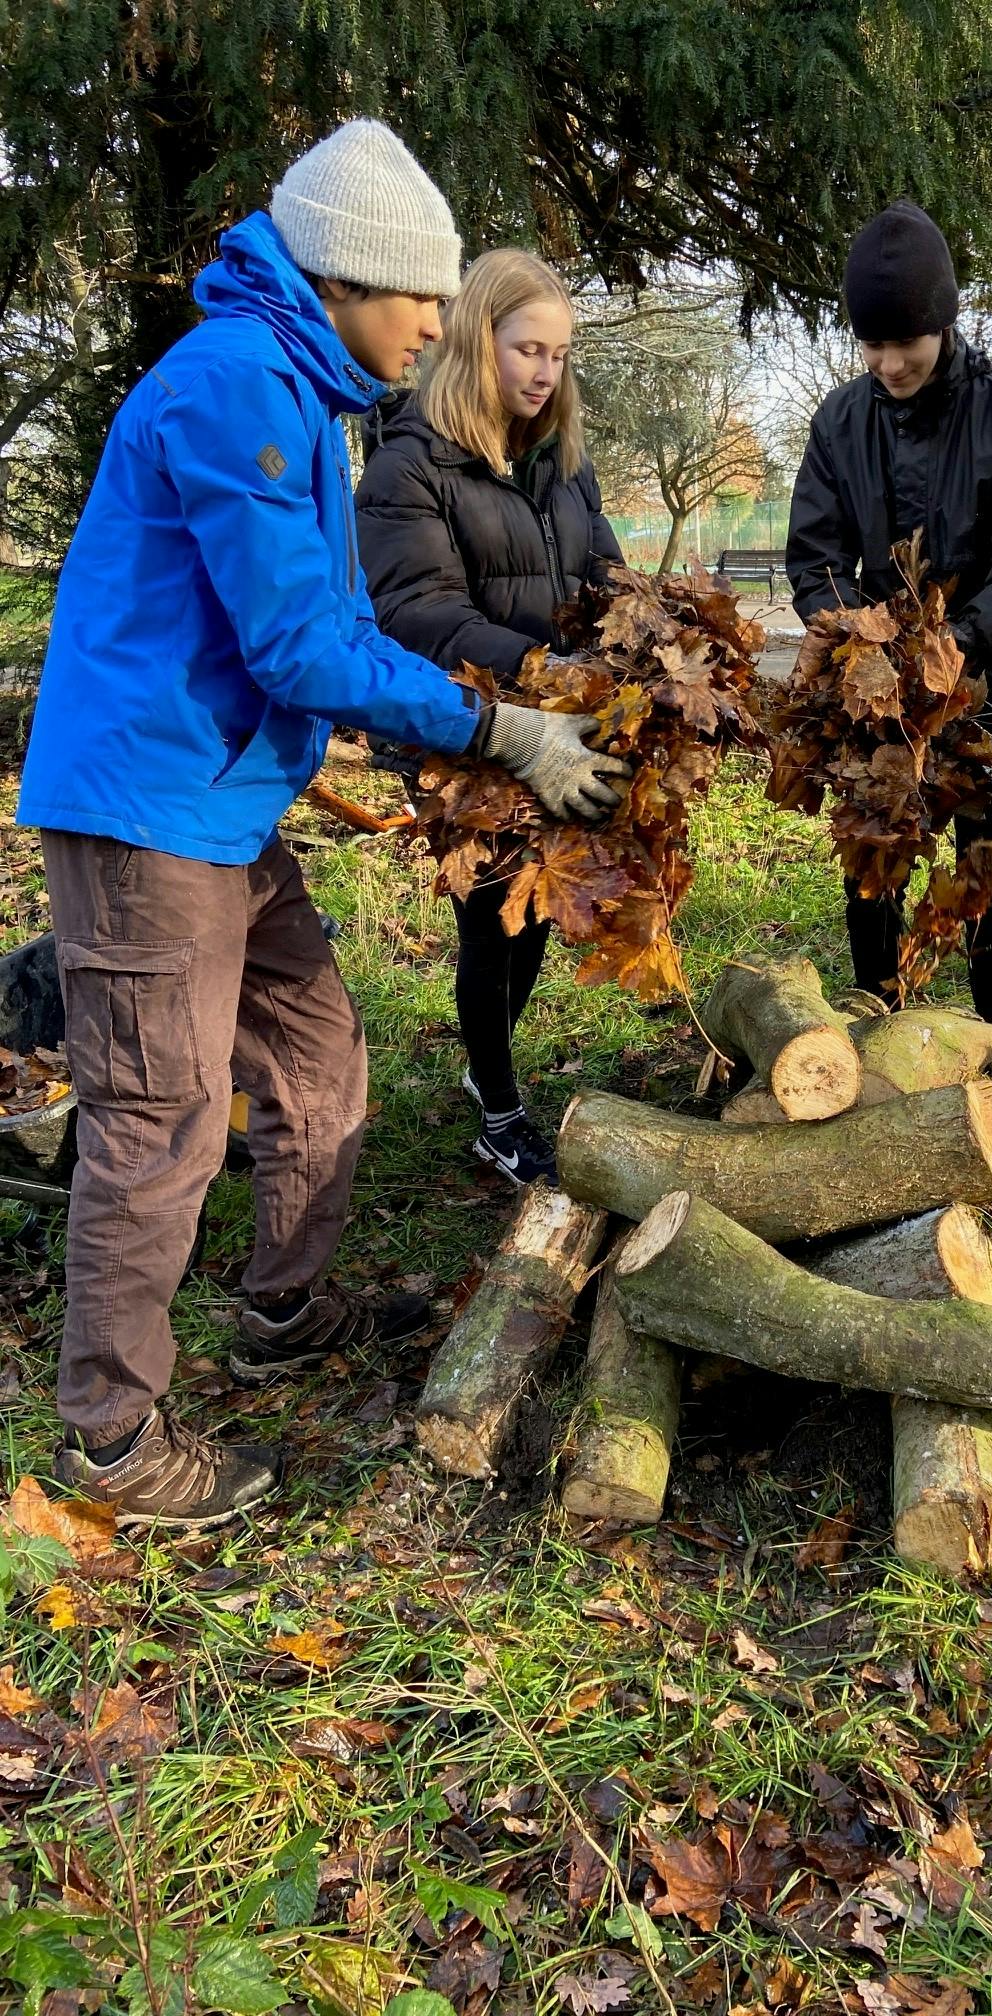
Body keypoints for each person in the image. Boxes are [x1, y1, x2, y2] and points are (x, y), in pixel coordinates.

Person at [17, 121, 627, 1527]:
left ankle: (284, 1303)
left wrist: (441, 730)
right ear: (349, 279)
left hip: (222, 798)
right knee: (157, 1118)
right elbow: (297, 648)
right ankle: (112, 1435)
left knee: (314, 1044)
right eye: (423, 297)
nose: (437, 324)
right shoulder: (238, 389)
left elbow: (340, 629)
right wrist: (508, 735)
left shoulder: (301, 392)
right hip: (147, 809)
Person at [356, 249, 621, 1184]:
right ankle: (501, 1117)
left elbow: (605, 579)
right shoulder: (410, 463)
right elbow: (416, 614)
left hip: (557, 717)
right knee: (491, 918)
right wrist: (544, 667)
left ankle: (485, 1066)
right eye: (527, 350)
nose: (545, 373)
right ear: (476, 342)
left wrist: (637, 635)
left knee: (537, 907)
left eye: (558, 354)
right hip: (460, 729)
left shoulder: (563, 463)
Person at [785, 201, 992, 1051]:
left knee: (987, 881)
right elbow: (815, 559)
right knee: (873, 872)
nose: (887, 361)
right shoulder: (840, 421)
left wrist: (953, 644)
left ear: (943, 322)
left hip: (986, 693)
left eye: (904, 341)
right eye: (870, 344)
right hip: (875, 701)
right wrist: (860, 634)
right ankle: (876, 1036)